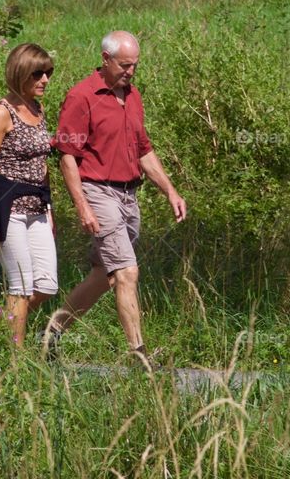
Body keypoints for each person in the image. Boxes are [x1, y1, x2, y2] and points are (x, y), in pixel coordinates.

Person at [45, 30, 186, 364]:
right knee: (127, 272)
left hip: (128, 195)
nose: (130, 71)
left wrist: (170, 191)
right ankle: (139, 354)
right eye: (124, 65)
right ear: (105, 59)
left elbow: (144, 151)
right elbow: (67, 156)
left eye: (135, 65)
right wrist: (83, 206)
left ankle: (52, 330)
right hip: (98, 191)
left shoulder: (133, 95)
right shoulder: (82, 96)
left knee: (105, 275)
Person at [0, 43, 58, 347]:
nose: (45, 80)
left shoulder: (38, 108)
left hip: (37, 207)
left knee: (45, 284)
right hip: (6, 207)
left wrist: (49, 211)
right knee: (19, 287)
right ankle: (16, 362)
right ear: (20, 73)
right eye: (38, 74)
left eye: (48, 73)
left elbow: (42, 163)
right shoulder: (0, 112)